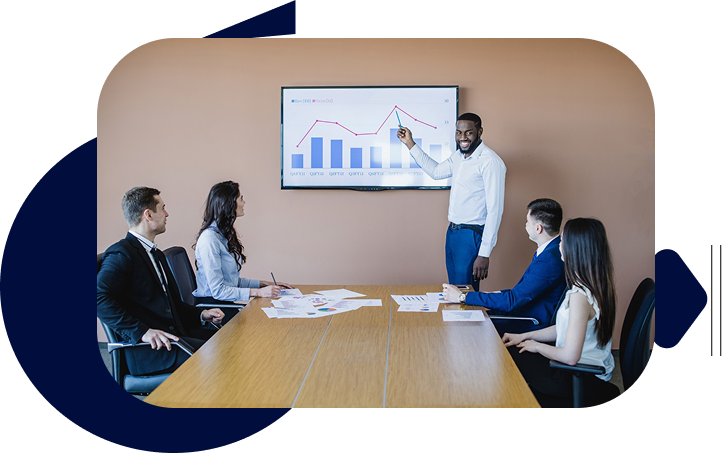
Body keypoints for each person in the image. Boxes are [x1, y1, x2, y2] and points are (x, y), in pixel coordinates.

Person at [97, 187, 225, 376]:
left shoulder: (156, 254)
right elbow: (98, 297)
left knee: (229, 341)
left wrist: (202, 314)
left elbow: (171, 306)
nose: (167, 214)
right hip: (151, 350)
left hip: (174, 336)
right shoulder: (121, 254)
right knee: (223, 357)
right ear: (148, 215)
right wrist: (142, 332)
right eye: (162, 208)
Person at [501, 218, 617, 407]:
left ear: (575, 248)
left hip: (578, 376)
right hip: (577, 370)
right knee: (514, 350)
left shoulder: (580, 296)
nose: (559, 246)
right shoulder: (593, 286)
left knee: (507, 360)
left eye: (563, 241)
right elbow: (564, 328)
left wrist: (537, 346)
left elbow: (570, 357)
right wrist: (523, 336)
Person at [397, 112, 505, 291]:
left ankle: (467, 321)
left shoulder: (490, 162)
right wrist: (410, 143)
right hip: (453, 232)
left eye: (468, 133)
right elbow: (436, 171)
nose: (462, 138)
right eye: (458, 133)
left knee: (464, 293)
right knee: (454, 291)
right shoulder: (459, 157)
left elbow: (495, 210)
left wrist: (484, 253)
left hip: (471, 234)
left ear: (480, 132)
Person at [442, 198, 567, 336]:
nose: (525, 225)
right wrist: (495, 294)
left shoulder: (549, 261)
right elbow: (522, 293)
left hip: (528, 323)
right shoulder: (552, 250)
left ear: (538, 228)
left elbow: (513, 301)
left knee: (464, 326)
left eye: (527, 222)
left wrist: (462, 296)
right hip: (521, 314)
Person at [192, 181, 293, 311]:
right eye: (241, 198)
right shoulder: (209, 240)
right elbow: (218, 291)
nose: (244, 203)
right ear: (228, 203)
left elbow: (232, 282)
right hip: (213, 309)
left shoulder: (222, 235)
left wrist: (263, 284)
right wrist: (258, 292)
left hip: (223, 305)